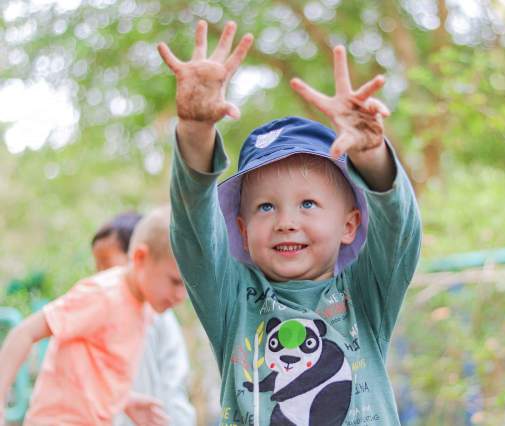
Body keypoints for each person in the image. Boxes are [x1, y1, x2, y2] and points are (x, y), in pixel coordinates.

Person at [159, 19, 421, 425]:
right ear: (243, 233)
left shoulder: (364, 296)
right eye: (265, 207)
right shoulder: (232, 299)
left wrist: (370, 153)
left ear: (349, 225)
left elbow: (398, 230)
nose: (286, 222)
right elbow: (193, 224)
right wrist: (195, 129)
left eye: (309, 204)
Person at [0, 206, 185, 426]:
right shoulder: (102, 294)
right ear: (140, 257)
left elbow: (98, 370)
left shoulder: (144, 309)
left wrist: (125, 400)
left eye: (187, 285)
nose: (181, 295)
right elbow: (24, 332)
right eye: (175, 281)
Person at [91, 211, 196, 426]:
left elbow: (168, 389)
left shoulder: (151, 314)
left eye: (106, 263)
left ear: (137, 258)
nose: (99, 274)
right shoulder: (108, 308)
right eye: (97, 266)